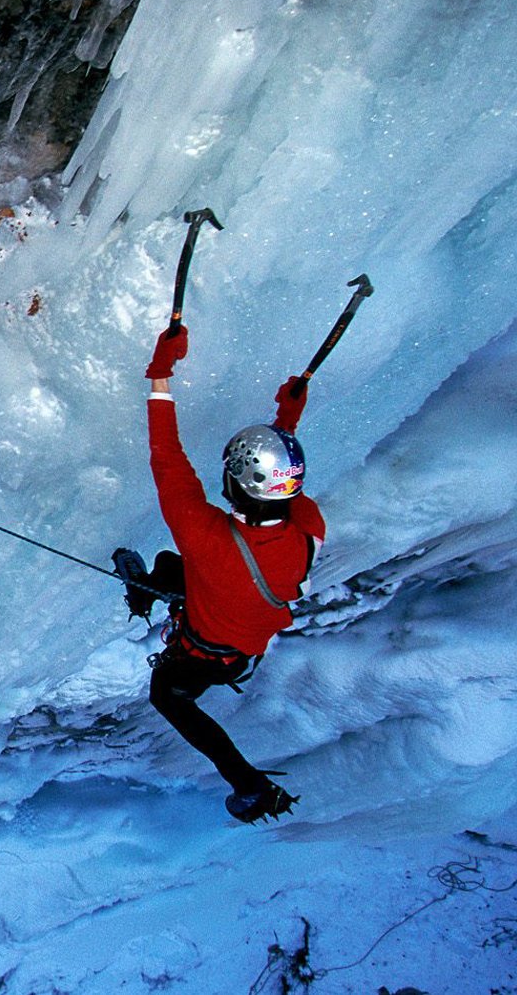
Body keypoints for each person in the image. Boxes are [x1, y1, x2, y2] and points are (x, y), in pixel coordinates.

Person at [119, 325, 326, 823]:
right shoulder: (306, 532)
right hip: (235, 651)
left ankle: (249, 783)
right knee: (176, 568)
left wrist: (160, 373)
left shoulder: (204, 534)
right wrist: (285, 428)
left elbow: (168, 455)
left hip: (201, 648)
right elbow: (279, 490)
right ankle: (149, 590)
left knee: (166, 694)